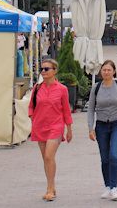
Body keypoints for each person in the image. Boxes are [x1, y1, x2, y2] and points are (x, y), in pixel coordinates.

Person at [29, 58, 73, 202]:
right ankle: (51, 186)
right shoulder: (37, 88)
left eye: (46, 69)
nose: (43, 71)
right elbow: (31, 106)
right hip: (40, 126)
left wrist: (69, 129)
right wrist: (32, 118)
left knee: (49, 156)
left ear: (55, 71)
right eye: (42, 69)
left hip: (56, 126)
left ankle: (49, 189)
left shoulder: (62, 89)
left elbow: (66, 110)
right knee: (46, 159)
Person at [87, 60, 117, 201]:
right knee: (105, 158)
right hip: (101, 126)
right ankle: (107, 186)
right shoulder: (96, 87)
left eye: (108, 70)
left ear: (114, 71)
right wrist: (90, 128)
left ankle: (114, 187)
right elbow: (90, 109)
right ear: (101, 72)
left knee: (114, 156)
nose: (106, 72)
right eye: (104, 70)